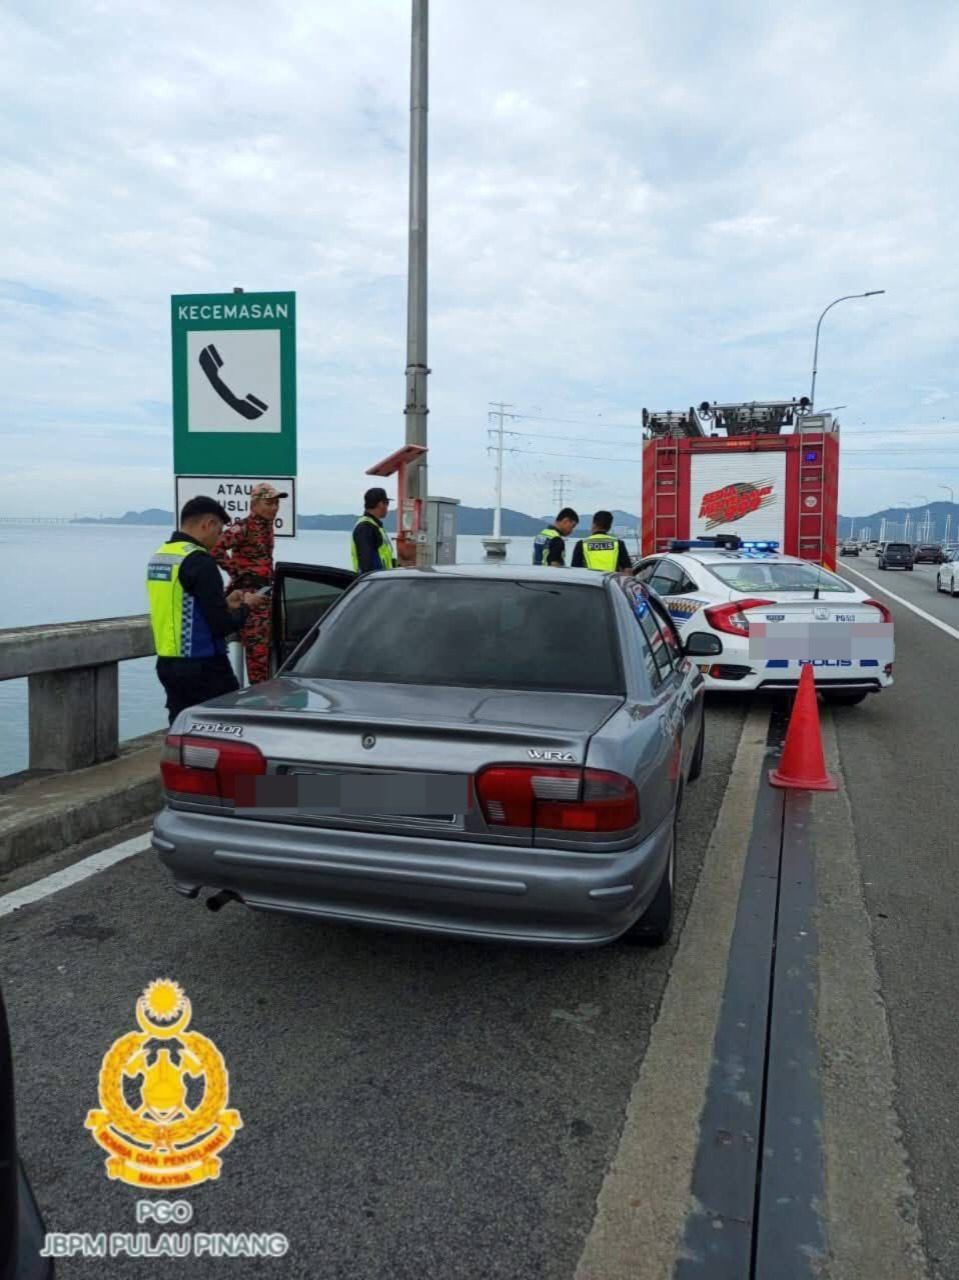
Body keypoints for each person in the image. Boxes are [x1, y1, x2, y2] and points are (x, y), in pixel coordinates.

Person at [148, 496, 260, 725]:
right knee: (224, 727)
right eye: (218, 532)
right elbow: (221, 626)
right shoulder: (200, 561)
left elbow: (180, 602)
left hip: (168, 663)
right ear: (206, 524)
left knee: (181, 727)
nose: (219, 540)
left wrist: (224, 601)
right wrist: (247, 607)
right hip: (204, 663)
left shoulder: (161, 556)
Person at [211, 482, 287, 684]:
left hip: (264, 594)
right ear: (254, 504)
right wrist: (238, 574)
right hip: (249, 597)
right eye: (269, 503)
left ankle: (261, 698)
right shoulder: (244, 527)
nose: (274, 508)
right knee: (257, 654)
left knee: (265, 652)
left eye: (276, 503)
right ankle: (256, 700)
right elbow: (216, 549)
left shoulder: (267, 527)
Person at [351, 487, 397, 574]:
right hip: (375, 583)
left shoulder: (374, 526)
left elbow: (383, 558)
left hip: (381, 580)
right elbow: (367, 565)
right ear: (380, 504)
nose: (387, 508)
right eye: (387, 503)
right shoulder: (366, 527)